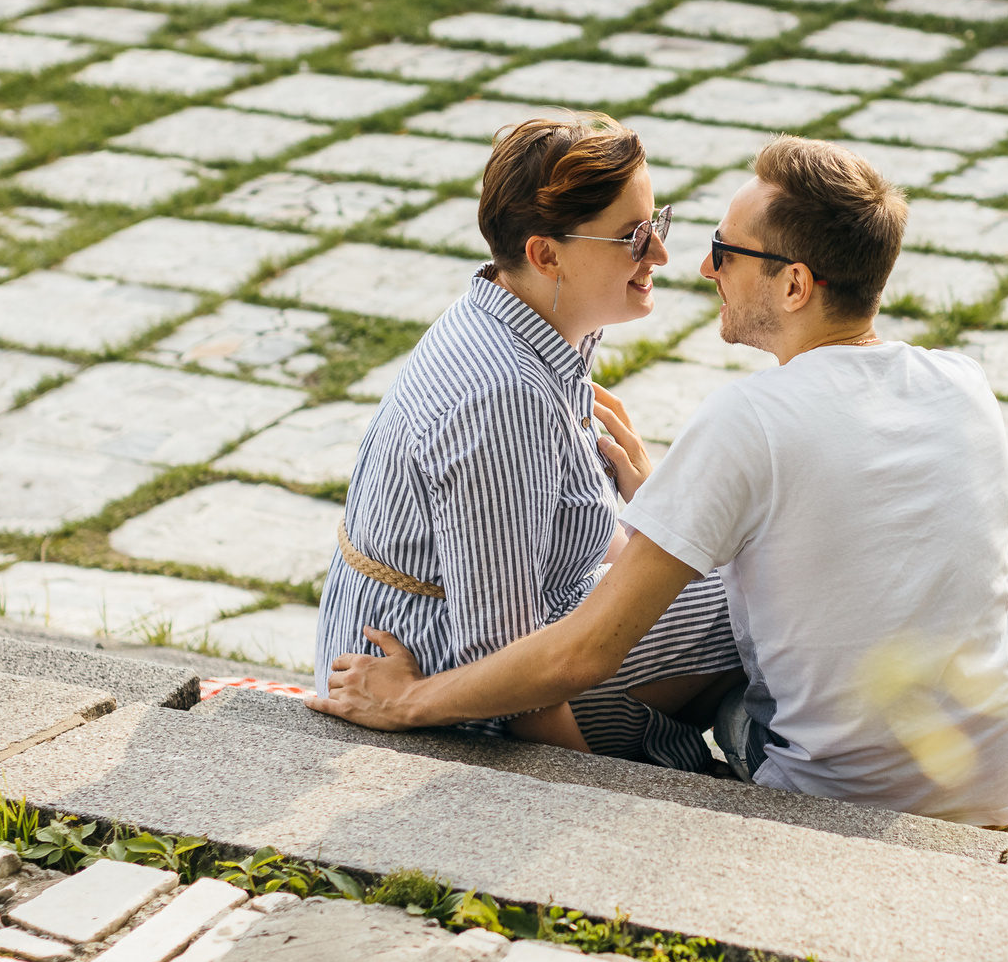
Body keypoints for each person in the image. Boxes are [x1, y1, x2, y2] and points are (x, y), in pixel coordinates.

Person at [314, 135, 1008, 827]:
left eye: (725, 251)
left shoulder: (747, 419)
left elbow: (585, 651)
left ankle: (743, 742)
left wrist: (406, 704)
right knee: (862, 585)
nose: (695, 264)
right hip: (999, 771)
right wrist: (675, 497)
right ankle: (997, 736)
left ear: (795, 285)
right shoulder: (963, 382)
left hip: (835, 798)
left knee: (744, 648)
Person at [314, 112, 743, 769]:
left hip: (460, 639)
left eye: (657, 223)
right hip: (441, 678)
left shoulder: (529, 313)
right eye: (632, 236)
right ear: (546, 254)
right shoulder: (502, 396)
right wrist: (594, 794)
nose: (659, 253)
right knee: (752, 595)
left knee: (735, 563)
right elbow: (500, 661)